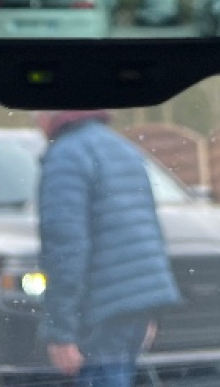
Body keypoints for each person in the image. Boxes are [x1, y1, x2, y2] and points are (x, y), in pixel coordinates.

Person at [37, 110, 183, 387]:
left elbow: (65, 249)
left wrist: (61, 331)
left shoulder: (66, 156)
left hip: (100, 309)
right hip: (132, 305)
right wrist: (145, 310)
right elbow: (146, 233)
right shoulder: (125, 150)